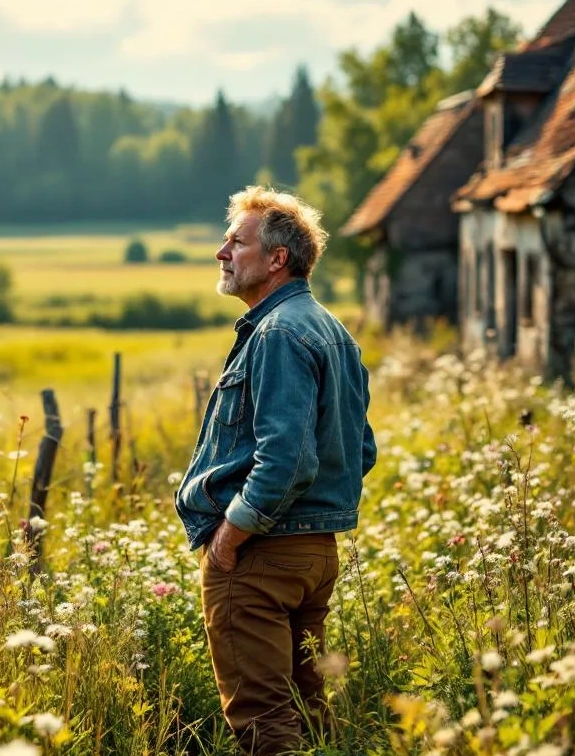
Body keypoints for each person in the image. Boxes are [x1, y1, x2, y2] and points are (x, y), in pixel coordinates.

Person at [174, 185, 377, 755]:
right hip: (314, 552)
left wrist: (230, 539)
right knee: (308, 709)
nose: (222, 253)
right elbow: (361, 450)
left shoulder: (279, 333)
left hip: (262, 554)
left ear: (276, 258)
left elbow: (286, 460)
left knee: (263, 719)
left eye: (236, 242)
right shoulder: (333, 331)